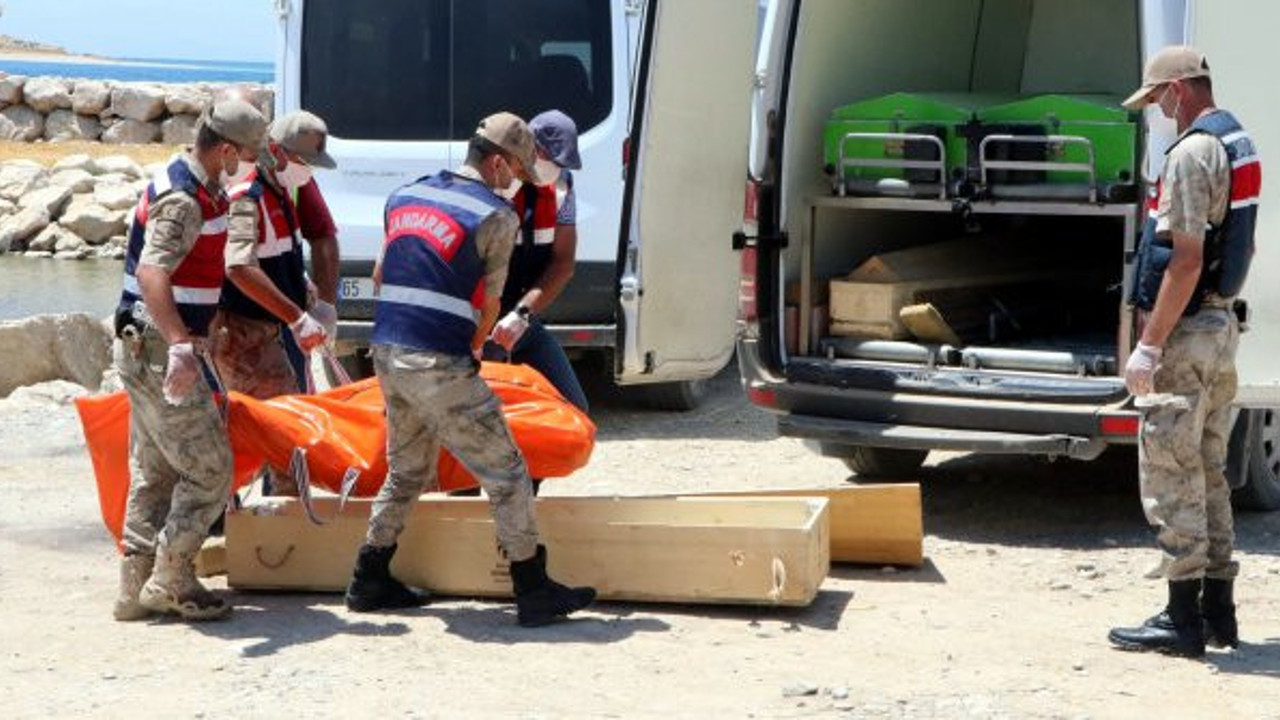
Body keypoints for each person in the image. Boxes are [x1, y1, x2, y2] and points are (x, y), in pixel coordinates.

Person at [344, 112, 596, 627]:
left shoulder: (405, 195)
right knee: (508, 472)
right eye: (518, 171)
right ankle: (532, 587)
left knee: (408, 470)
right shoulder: (496, 217)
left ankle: (368, 577)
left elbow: (378, 275)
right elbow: (489, 308)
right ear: (499, 163)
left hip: (387, 350)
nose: (519, 182)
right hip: (439, 359)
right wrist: (472, 356)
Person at [1108, 46, 1260, 658]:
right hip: (1219, 328)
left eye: (1156, 100)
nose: (1157, 114)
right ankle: (1218, 612)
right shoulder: (1237, 140)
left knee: (1171, 470)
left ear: (1178, 88)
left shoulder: (1193, 153)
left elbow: (1187, 258)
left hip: (1188, 333)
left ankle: (1181, 620)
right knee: (1208, 469)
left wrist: (1148, 346)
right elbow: (1231, 249)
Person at [111, 99, 269, 622]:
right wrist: (181, 344)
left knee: (156, 470)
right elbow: (155, 273)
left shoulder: (190, 183)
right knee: (211, 469)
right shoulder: (184, 199)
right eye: (247, 154)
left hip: (144, 346)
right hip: (159, 350)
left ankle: (134, 589)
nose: (251, 164)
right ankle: (173, 576)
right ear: (225, 149)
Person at [210, 110, 338, 495]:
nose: (308, 172)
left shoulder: (280, 191)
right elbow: (238, 266)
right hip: (245, 334)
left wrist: (305, 291)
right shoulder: (248, 196)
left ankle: (268, 520)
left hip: (267, 332)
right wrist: (298, 317)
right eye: (304, 162)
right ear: (277, 153)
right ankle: (281, 527)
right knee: (285, 432)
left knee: (271, 430)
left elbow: (286, 250)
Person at [486, 110, 589, 412]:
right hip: (478, 326)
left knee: (574, 409)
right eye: (549, 158)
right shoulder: (489, 182)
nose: (554, 170)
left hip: (520, 321)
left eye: (560, 164)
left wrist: (521, 315)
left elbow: (563, 264)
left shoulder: (562, 188)